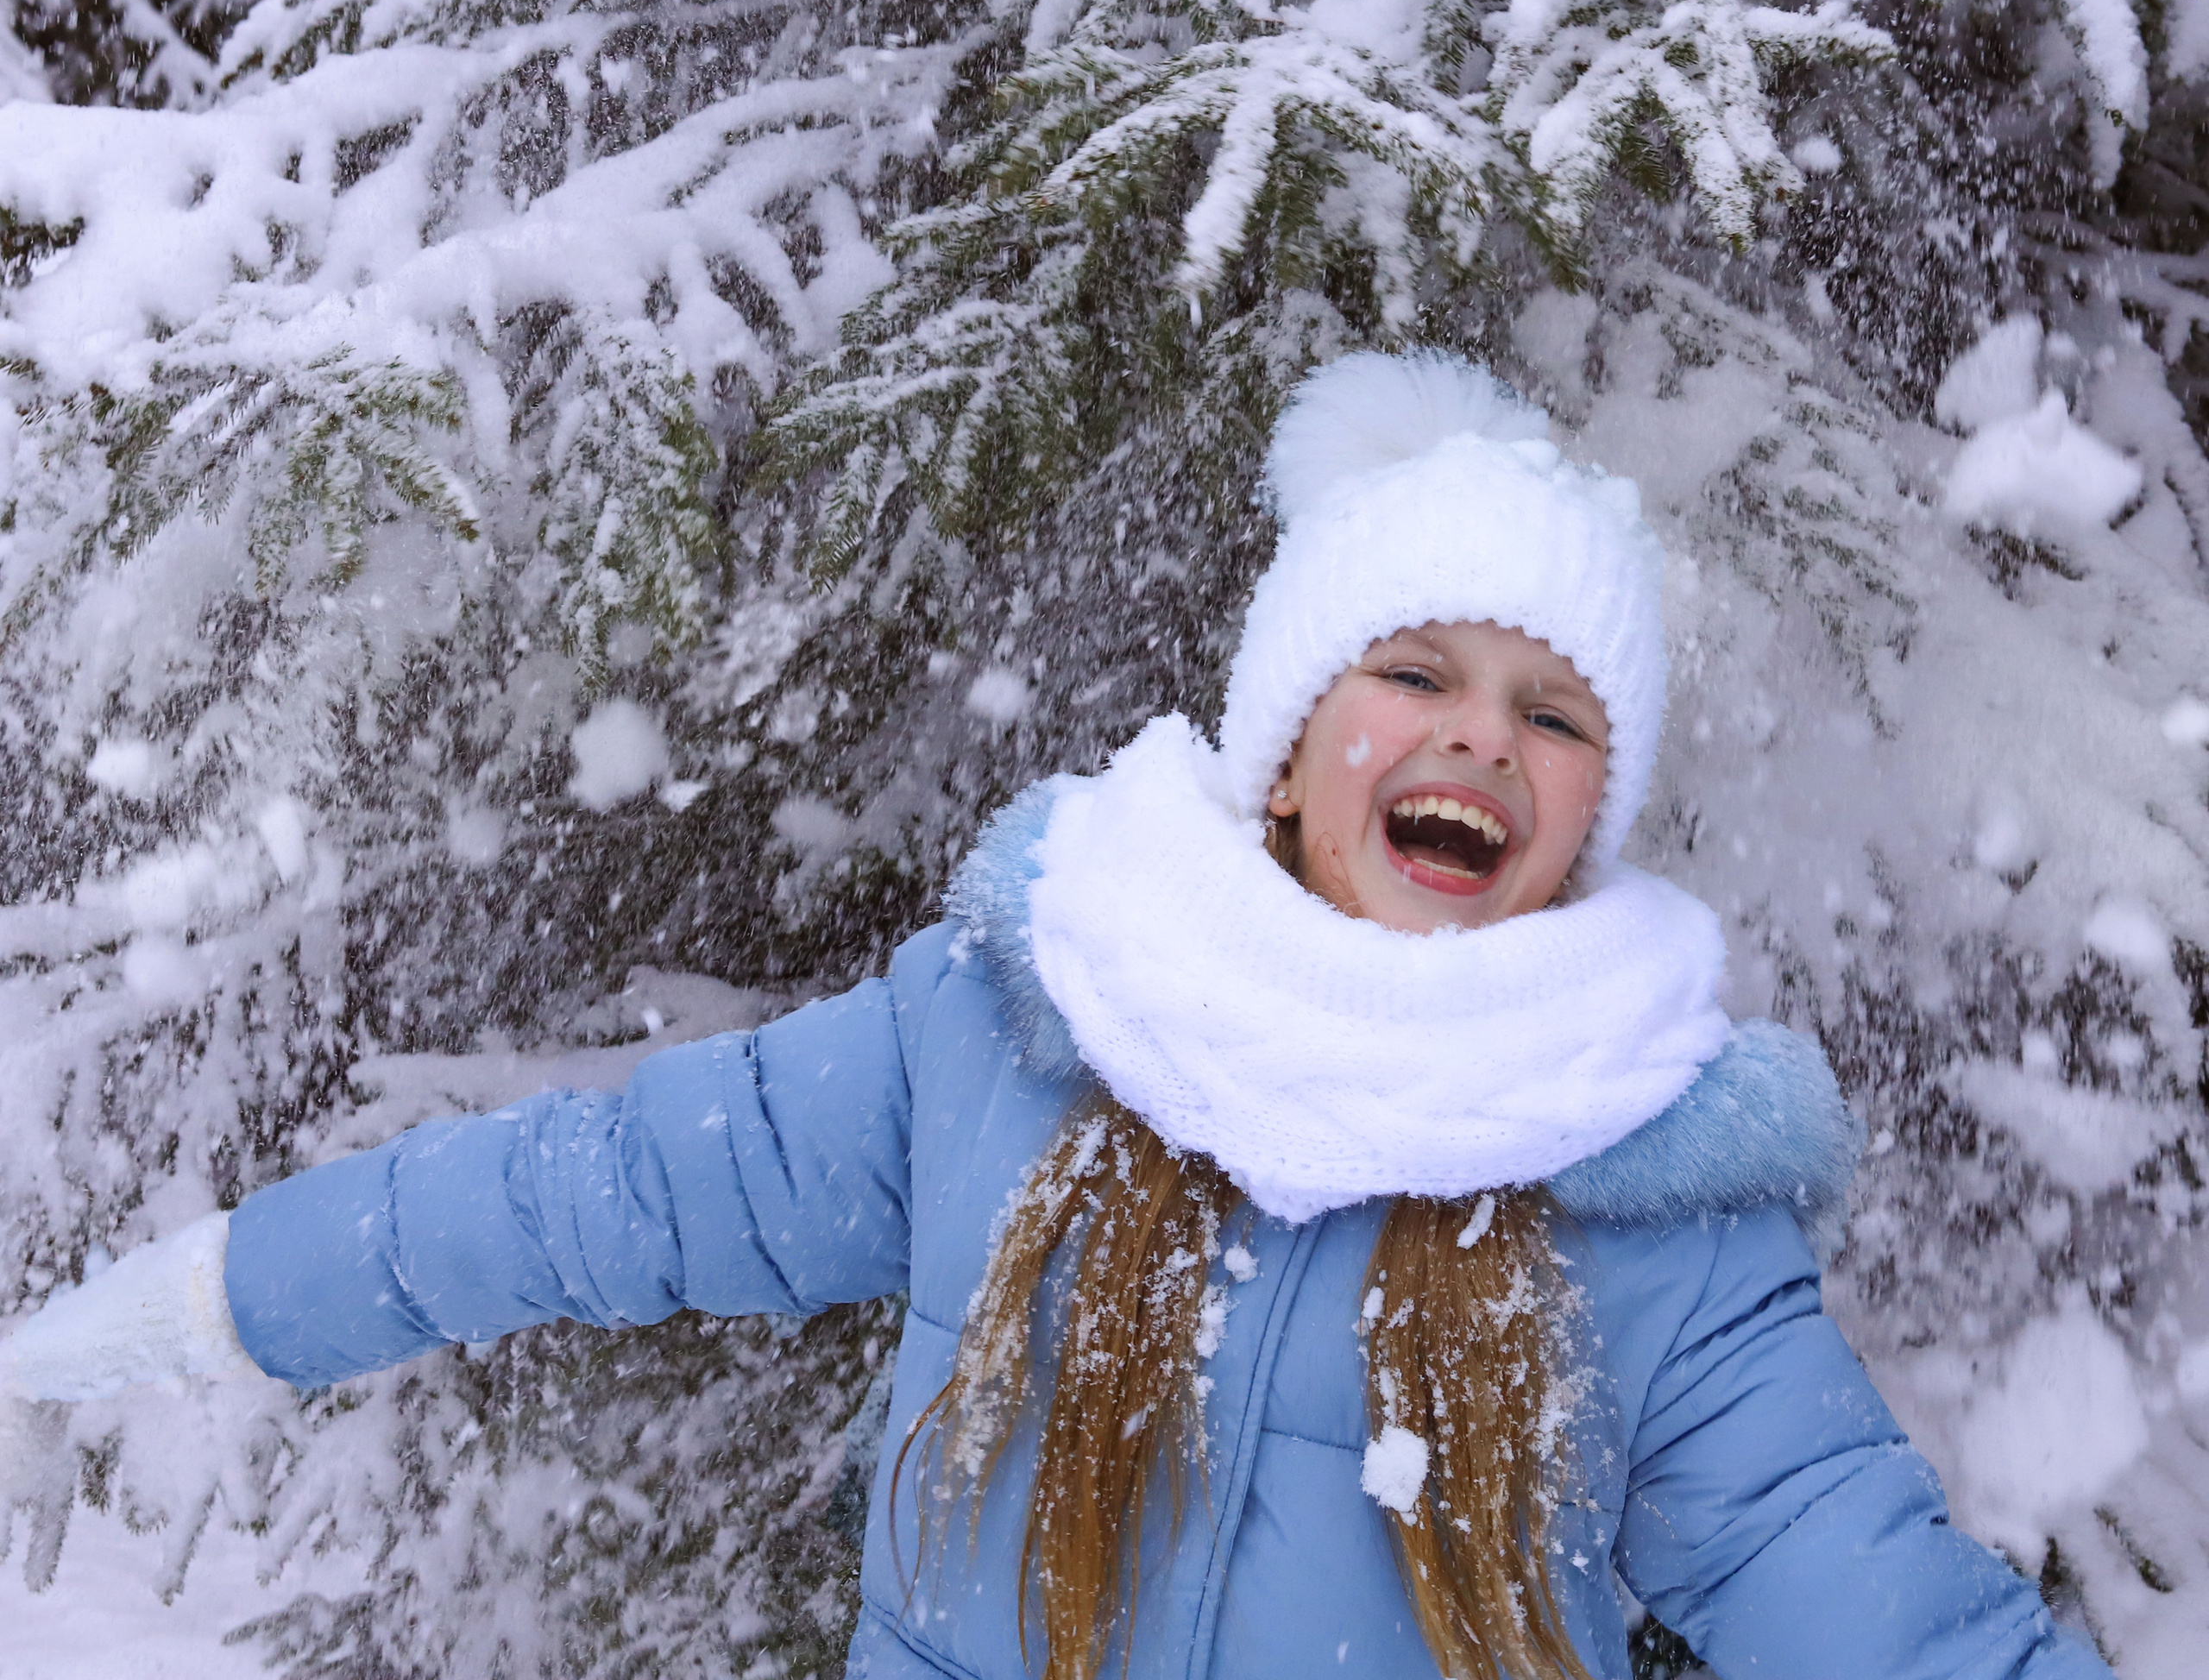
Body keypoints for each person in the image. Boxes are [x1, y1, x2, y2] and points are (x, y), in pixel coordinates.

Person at [0, 352, 2109, 1680]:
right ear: (1290, 744)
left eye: (1550, 711)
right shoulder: (1022, 1022)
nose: (1479, 735)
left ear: (1580, 819)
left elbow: (1873, 1606)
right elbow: (601, 1189)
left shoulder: (1646, 1202)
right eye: (1414, 673)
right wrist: (230, 1293)